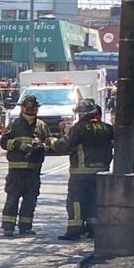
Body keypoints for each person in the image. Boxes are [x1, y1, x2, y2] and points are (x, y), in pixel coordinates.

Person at [50, 99, 115, 240]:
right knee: (93, 200)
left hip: (80, 173)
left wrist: (51, 141)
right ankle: (93, 229)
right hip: (101, 172)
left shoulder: (78, 128)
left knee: (76, 201)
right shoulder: (107, 128)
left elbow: (64, 146)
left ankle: (75, 230)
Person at [0, 94, 52, 235]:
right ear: (22, 108)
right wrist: (17, 144)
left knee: (30, 199)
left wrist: (41, 147)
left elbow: (50, 144)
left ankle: (25, 226)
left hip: (33, 170)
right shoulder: (15, 125)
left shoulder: (41, 126)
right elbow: (4, 143)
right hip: (16, 170)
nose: (30, 111)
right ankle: (8, 227)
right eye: (27, 108)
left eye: (33, 108)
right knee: (12, 198)